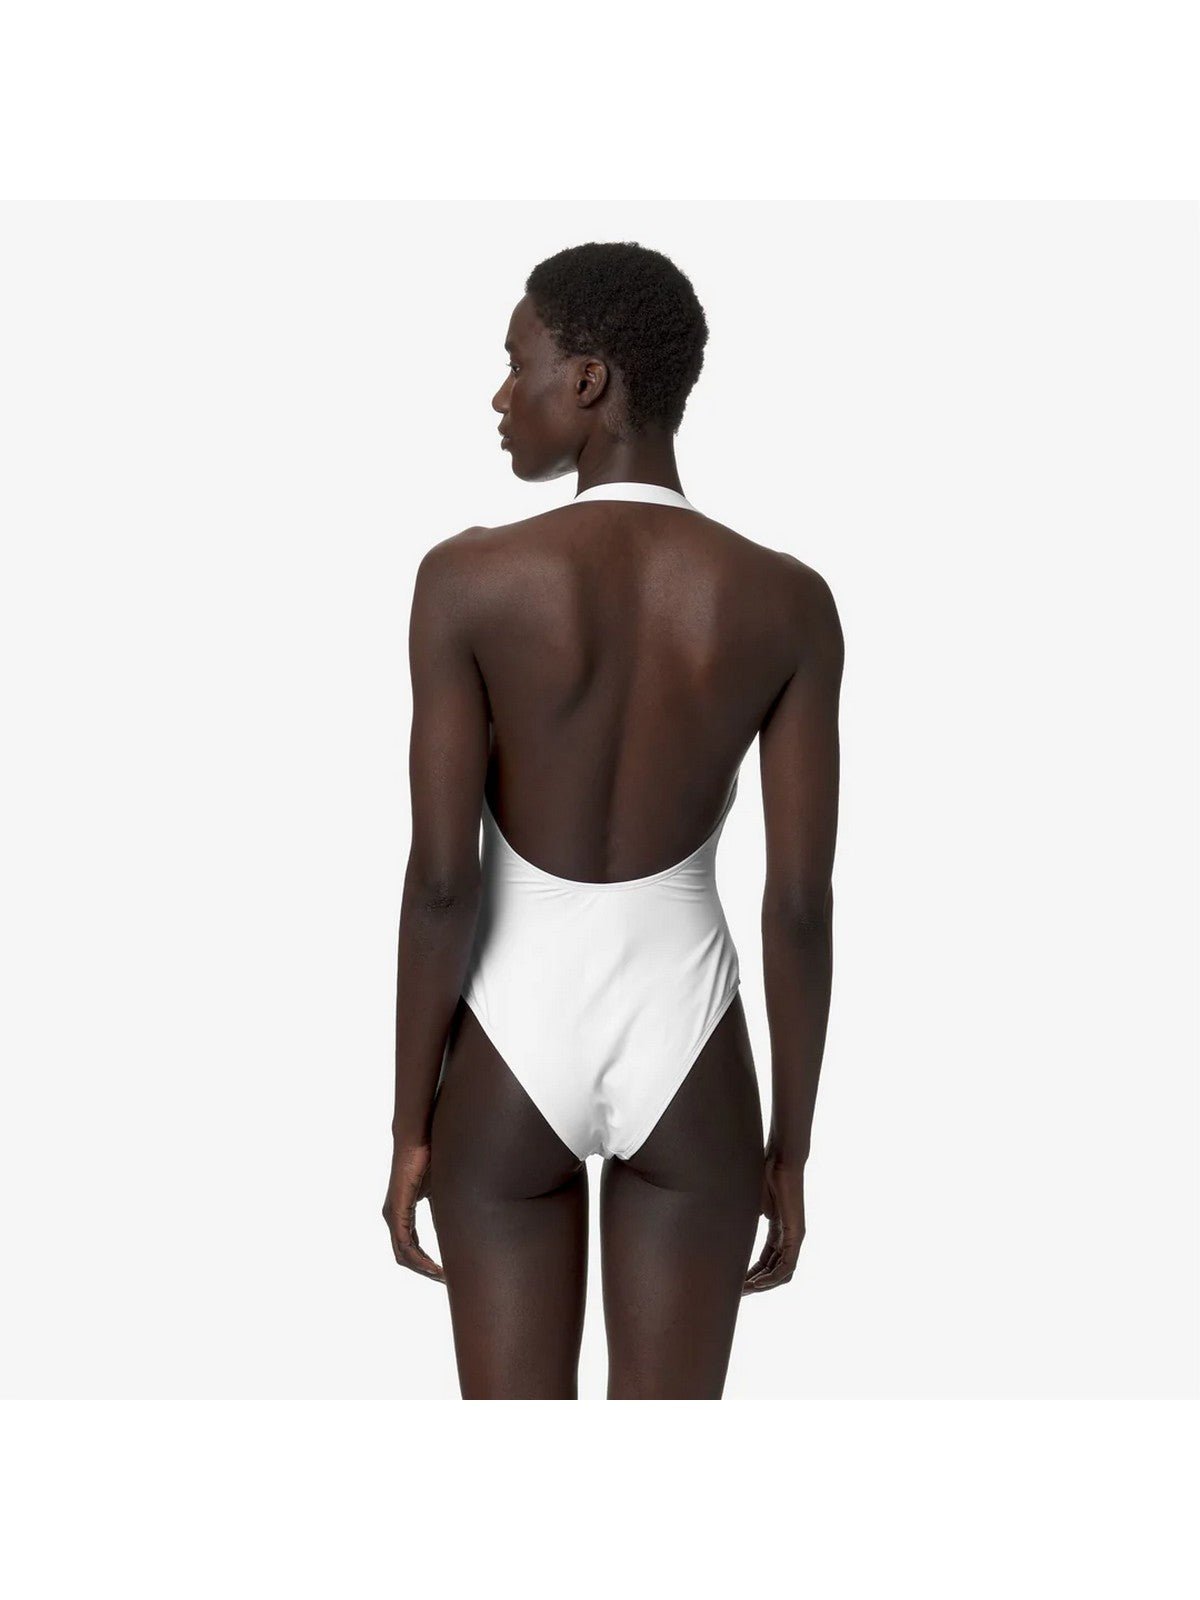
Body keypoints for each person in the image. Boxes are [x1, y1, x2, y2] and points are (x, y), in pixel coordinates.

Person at [382, 241, 843, 1399]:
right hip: (691, 1043)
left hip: (507, 1042)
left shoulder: (467, 581)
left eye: (517, 363)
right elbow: (798, 905)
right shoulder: (786, 600)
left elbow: (441, 882)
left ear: (588, 381)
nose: (501, 395)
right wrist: (789, 1147)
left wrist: (409, 1126)